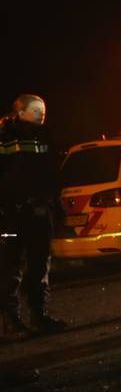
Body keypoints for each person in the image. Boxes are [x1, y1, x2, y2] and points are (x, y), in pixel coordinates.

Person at [0, 95, 67, 336]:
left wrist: (53, 204)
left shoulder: (45, 136)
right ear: (20, 112)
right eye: (36, 110)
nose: (41, 114)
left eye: (44, 110)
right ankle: (11, 321)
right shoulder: (5, 136)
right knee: (10, 266)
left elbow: (52, 175)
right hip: (10, 213)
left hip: (40, 211)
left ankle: (40, 316)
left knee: (39, 265)